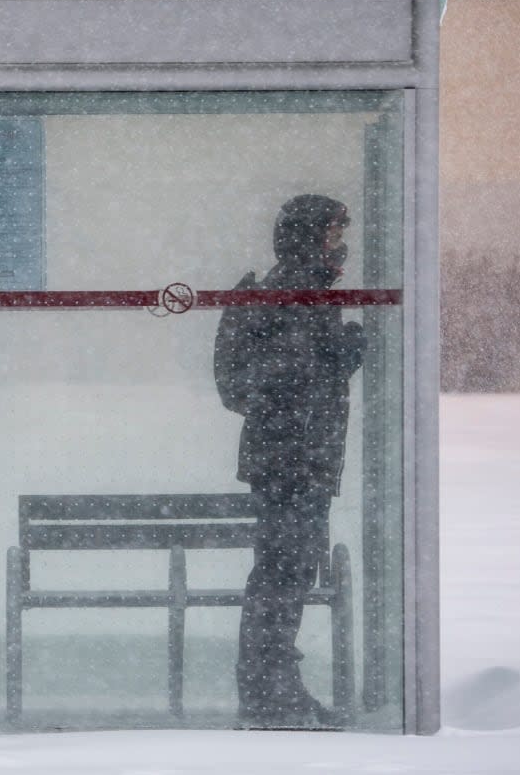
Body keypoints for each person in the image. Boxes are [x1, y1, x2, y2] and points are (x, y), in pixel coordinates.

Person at [213, 194, 365, 728]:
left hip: (301, 459)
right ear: (308, 236)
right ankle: (268, 690)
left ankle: (271, 686)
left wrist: (330, 363)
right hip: (290, 461)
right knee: (283, 574)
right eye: (331, 233)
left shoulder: (307, 292)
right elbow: (246, 384)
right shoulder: (283, 292)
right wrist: (326, 360)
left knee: (286, 573)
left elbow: (275, 382)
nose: (340, 243)